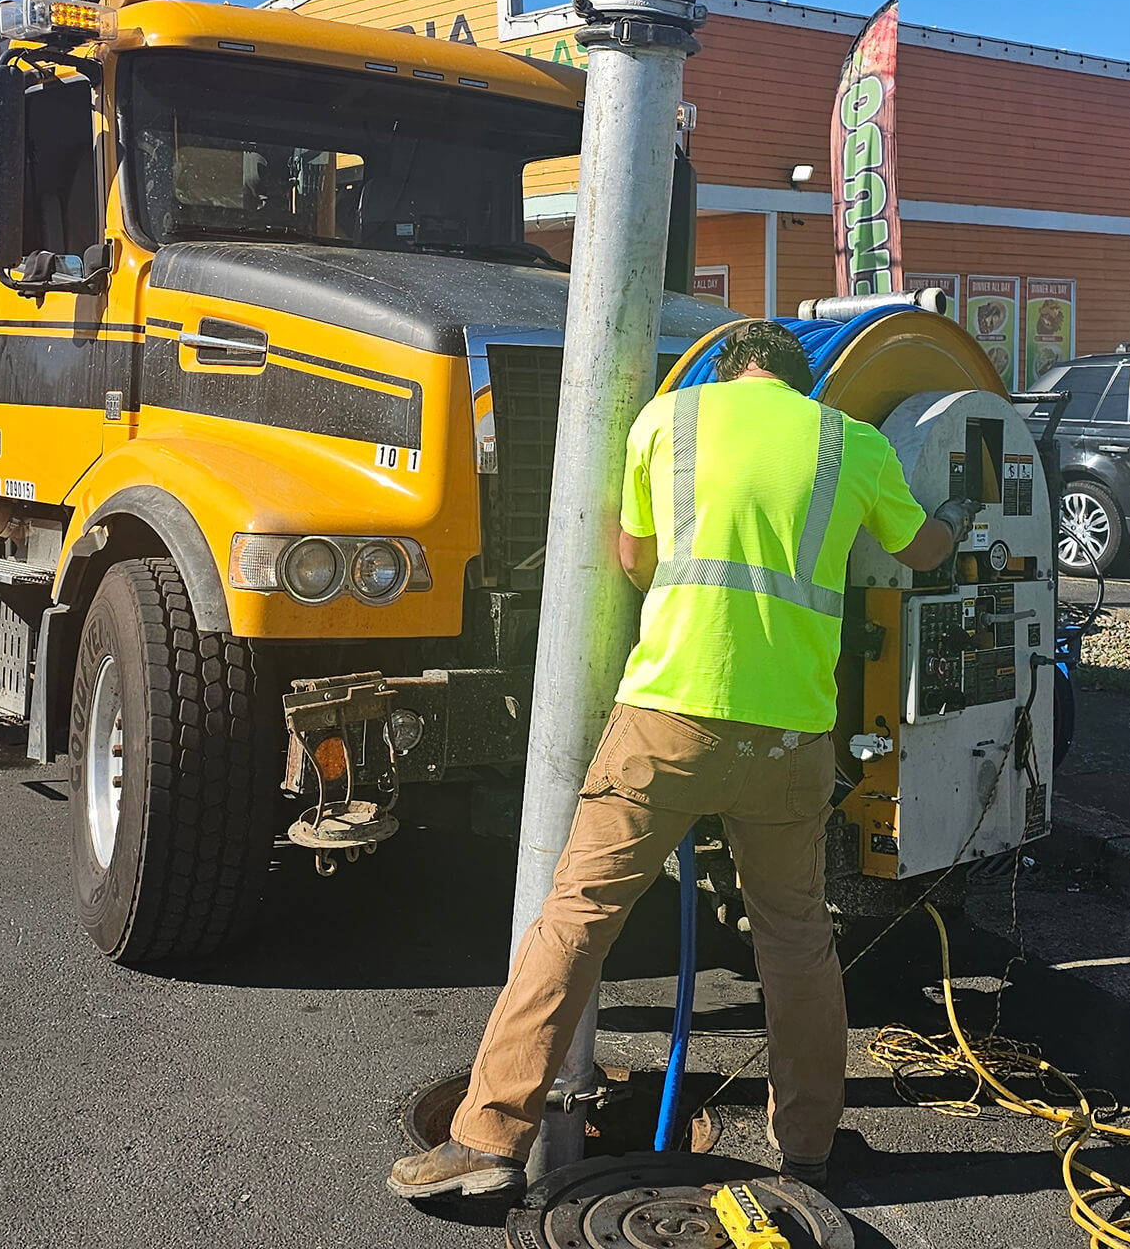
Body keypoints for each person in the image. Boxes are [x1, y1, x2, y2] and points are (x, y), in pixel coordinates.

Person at [388, 320, 976, 1200]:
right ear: (799, 381)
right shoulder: (850, 442)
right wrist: (955, 519)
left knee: (576, 921)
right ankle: (808, 1149)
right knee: (797, 944)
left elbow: (634, 560)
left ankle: (486, 1141)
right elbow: (921, 551)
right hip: (790, 739)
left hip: (670, 719)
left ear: (732, 369)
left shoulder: (668, 421)